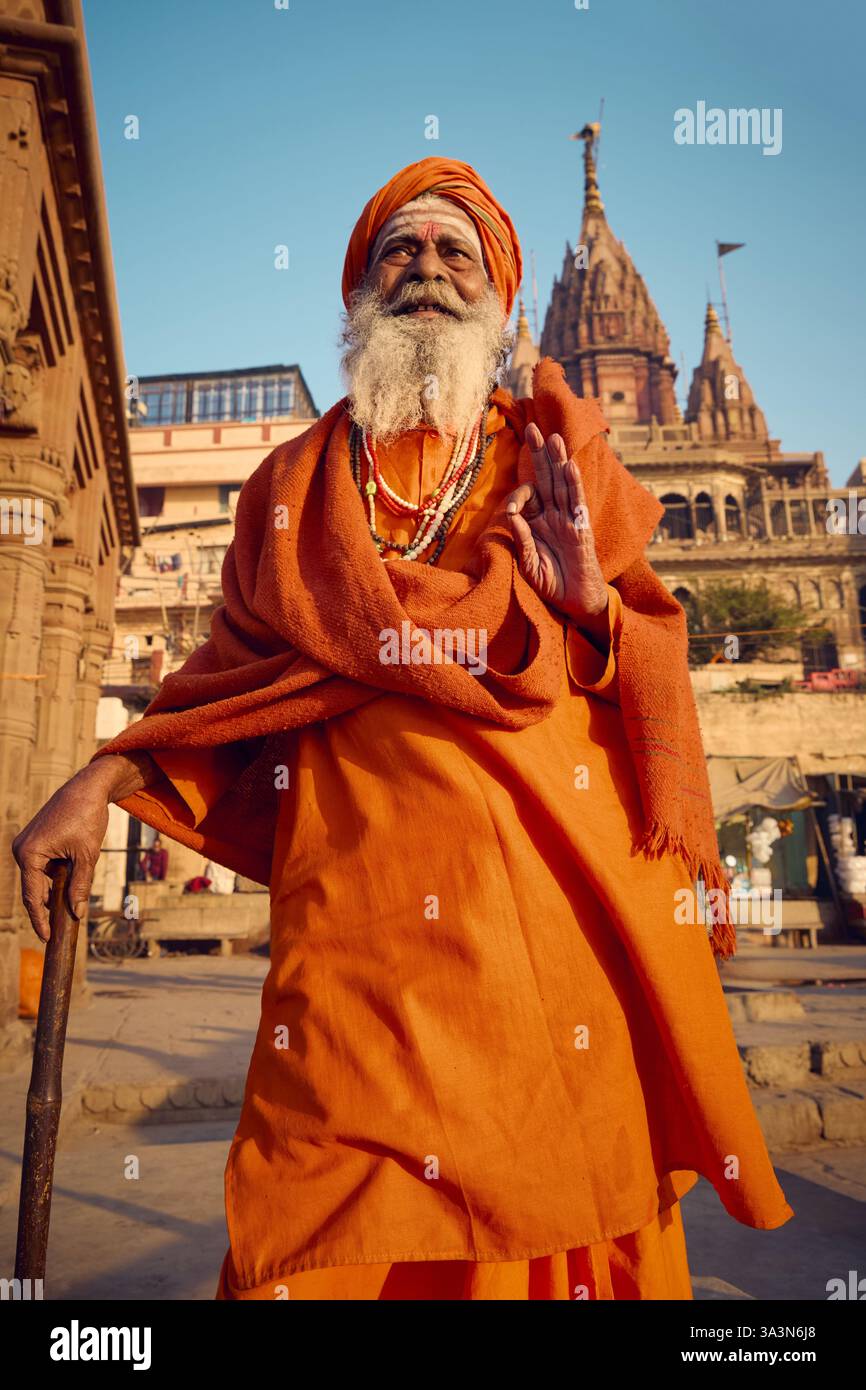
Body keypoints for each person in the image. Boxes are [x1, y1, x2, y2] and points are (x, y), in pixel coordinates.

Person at [12, 157, 793, 1302]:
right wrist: (106, 775)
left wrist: (584, 605)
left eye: (452, 254)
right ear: (359, 294)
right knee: (316, 1230)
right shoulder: (288, 490)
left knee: (550, 1226)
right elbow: (229, 681)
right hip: (355, 953)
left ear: (503, 303)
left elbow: (648, 656)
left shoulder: (561, 462)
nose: (425, 271)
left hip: (546, 952)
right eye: (400, 252)